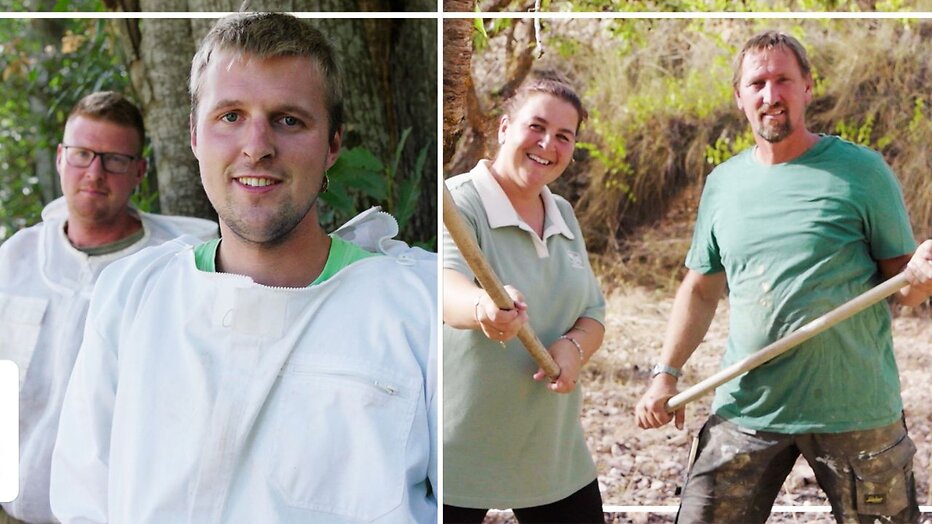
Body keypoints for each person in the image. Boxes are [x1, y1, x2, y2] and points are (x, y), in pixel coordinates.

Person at [48, 13, 437, 523]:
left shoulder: (417, 304)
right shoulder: (130, 296)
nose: (257, 146)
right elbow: (83, 498)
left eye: (289, 119)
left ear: (334, 144)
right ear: (193, 136)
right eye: (230, 116)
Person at [635, 30, 932, 523]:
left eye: (783, 81)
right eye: (757, 84)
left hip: (855, 412)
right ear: (739, 97)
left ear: (808, 87)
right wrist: (665, 376)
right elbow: (701, 287)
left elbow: (904, 287)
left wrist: (923, 277)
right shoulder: (723, 184)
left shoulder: (861, 172)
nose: (770, 95)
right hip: (749, 407)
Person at [0, 91, 217, 524]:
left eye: (114, 159)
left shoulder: (175, 268)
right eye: (82, 154)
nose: (94, 173)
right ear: (61, 157)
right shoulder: (16, 259)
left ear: (140, 171)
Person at [442, 74, 606, 523]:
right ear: (503, 129)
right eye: (536, 127)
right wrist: (484, 308)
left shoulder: (564, 213)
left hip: (549, 450)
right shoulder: (458, 202)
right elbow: (442, 287)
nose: (547, 143)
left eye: (563, 136)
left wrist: (573, 351)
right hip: (458, 451)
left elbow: (592, 313)